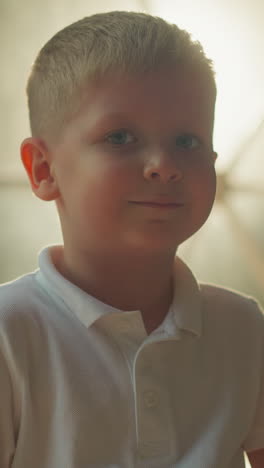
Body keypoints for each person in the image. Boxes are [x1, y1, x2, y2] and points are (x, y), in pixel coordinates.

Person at [0, 10, 263, 468]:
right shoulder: (10, 333)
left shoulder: (243, 326)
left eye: (188, 141)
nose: (165, 164)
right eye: (120, 136)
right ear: (44, 170)